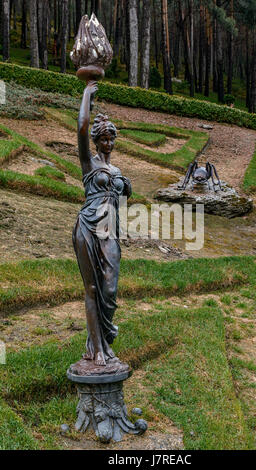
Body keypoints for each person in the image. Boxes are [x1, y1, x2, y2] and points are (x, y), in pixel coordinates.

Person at [73, 81, 132, 366]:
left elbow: (120, 205)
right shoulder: (89, 164)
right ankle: (97, 348)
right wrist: (87, 95)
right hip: (87, 227)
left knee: (109, 289)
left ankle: (102, 339)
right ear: (97, 141)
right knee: (92, 289)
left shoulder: (118, 171)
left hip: (110, 231)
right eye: (104, 139)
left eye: (112, 139)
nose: (108, 144)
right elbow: (82, 128)